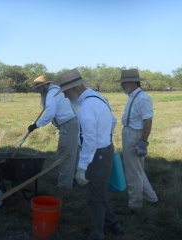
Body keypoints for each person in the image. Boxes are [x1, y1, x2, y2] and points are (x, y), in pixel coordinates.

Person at [55, 68, 123, 239]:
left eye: (65, 92)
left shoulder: (86, 107)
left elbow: (89, 142)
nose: (65, 96)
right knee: (98, 192)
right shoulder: (99, 98)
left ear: (74, 88)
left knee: (94, 198)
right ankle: (113, 224)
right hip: (105, 149)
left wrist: (81, 167)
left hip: (97, 154)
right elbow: (113, 120)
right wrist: (106, 136)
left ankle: (98, 234)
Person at [115, 69, 159, 213]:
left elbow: (148, 120)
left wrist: (143, 142)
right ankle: (152, 199)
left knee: (132, 172)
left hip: (135, 135)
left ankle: (134, 206)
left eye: (124, 83)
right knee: (136, 170)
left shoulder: (142, 98)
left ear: (133, 82)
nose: (122, 86)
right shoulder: (133, 96)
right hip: (129, 133)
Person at [28, 75, 79, 190]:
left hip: (68, 125)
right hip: (72, 123)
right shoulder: (57, 90)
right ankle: (76, 179)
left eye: (39, 88)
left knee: (65, 155)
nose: (38, 91)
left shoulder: (51, 94)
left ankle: (64, 185)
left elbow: (50, 113)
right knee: (74, 155)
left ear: (45, 85)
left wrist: (36, 125)